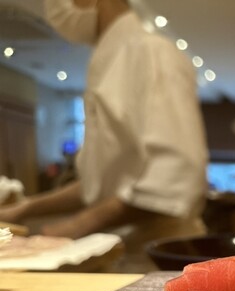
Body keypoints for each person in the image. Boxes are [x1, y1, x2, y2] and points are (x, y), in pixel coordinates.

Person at [0, 0, 208, 271]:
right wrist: (24, 209)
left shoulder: (151, 52)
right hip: (122, 253)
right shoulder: (112, 59)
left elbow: (172, 176)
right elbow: (98, 184)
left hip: (155, 257)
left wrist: (72, 227)